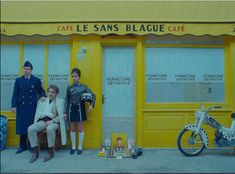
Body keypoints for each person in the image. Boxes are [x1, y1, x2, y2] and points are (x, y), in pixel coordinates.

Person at [11, 61, 46, 154]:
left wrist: (43, 96)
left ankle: (31, 146)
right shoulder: (18, 80)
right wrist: (13, 106)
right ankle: (22, 146)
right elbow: (15, 94)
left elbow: (41, 91)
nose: (26, 71)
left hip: (32, 107)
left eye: (28, 69)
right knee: (22, 127)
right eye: (25, 69)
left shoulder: (36, 80)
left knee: (31, 127)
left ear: (31, 70)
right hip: (21, 106)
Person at [28, 85, 67, 163]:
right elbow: (38, 113)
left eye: (53, 92)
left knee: (50, 128)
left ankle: (50, 151)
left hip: (54, 121)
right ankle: (35, 151)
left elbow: (61, 115)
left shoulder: (60, 101)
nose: (51, 94)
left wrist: (52, 121)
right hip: (43, 120)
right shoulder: (42, 100)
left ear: (56, 93)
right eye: (49, 92)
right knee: (31, 128)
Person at [64, 68, 96, 155]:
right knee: (72, 129)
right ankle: (73, 147)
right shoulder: (69, 88)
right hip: (71, 109)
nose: (74, 78)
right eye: (73, 76)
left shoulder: (83, 87)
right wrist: (65, 112)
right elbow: (66, 100)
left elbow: (93, 95)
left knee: (81, 128)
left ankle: (80, 147)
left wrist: (91, 105)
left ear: (79, 77)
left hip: (80, 109)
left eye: (76, 76)